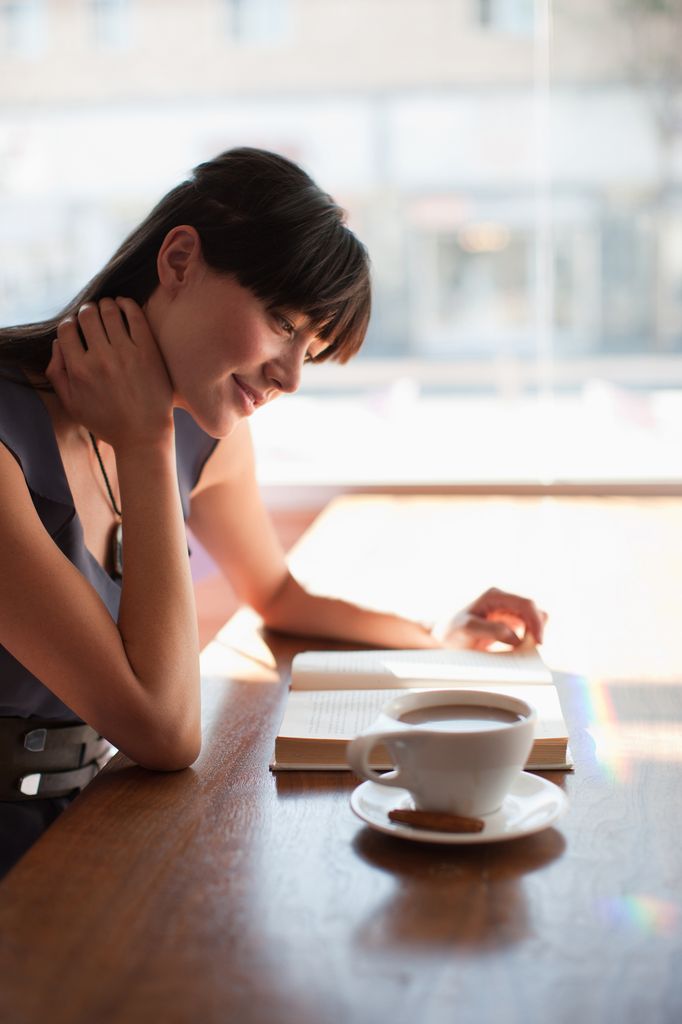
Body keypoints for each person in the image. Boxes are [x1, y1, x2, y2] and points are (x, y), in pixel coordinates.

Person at [0, 147, 545, 876]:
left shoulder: (202, 429)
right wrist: (144, 440)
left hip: (92, 823)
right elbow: (164, 731)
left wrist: (435, 641)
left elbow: (280, 597)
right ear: (181, 260)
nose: (290, 376)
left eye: (311, 352)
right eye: (284, 323)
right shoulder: (54, 437)